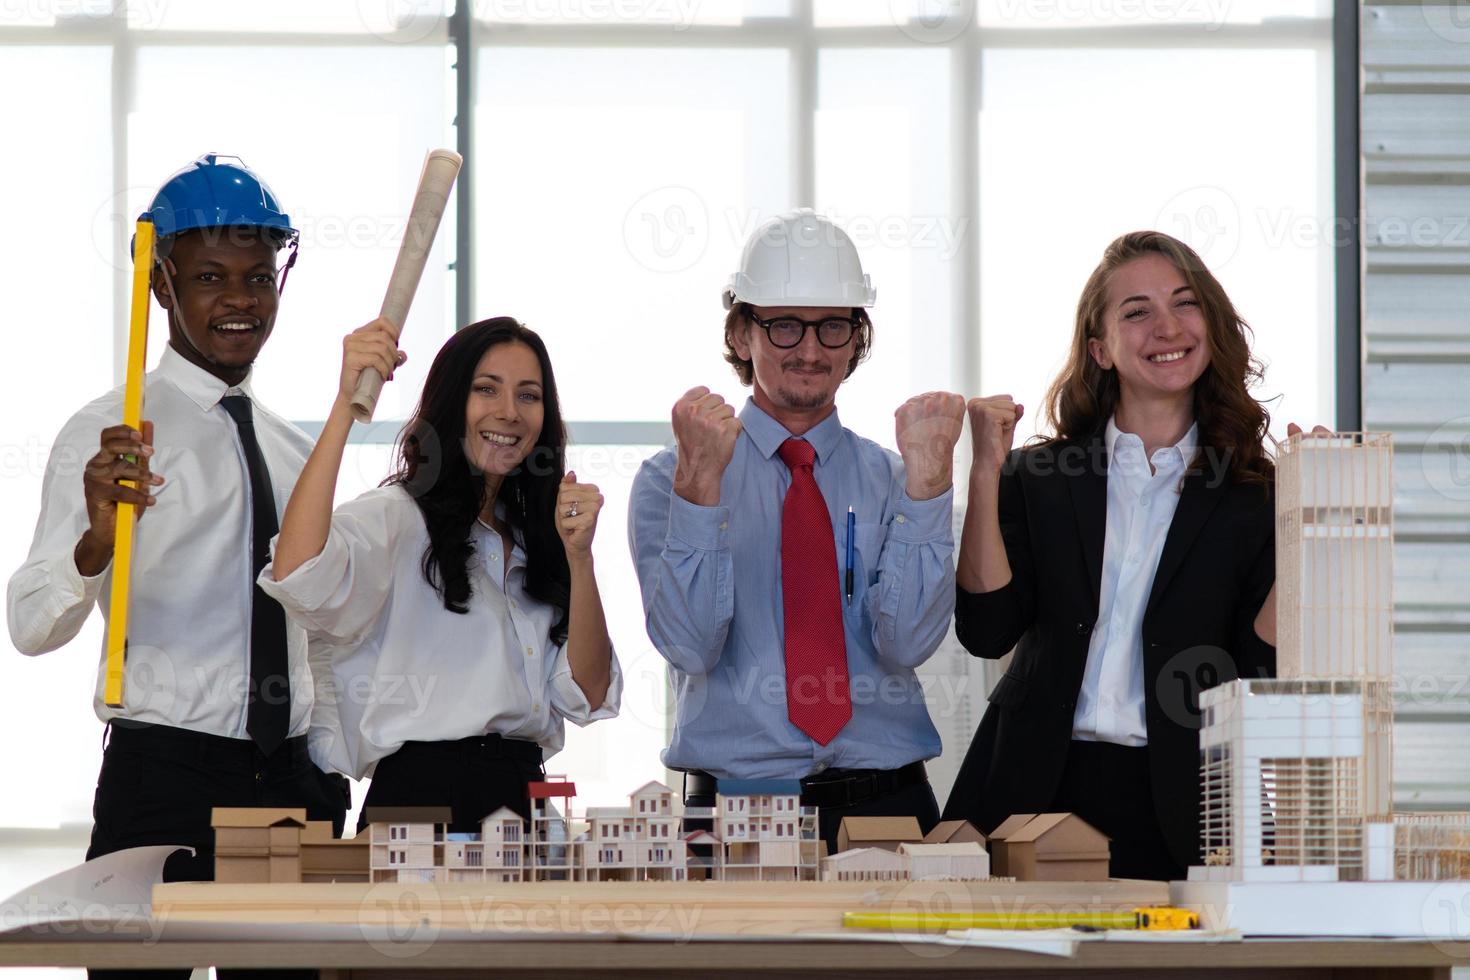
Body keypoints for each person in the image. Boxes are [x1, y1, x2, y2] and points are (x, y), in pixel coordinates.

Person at [7, 154, 346, 967]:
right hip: (163, 775)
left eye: (258, 277)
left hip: (290, 786)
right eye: (209, 277)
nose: (239, 300)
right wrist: (96, 540)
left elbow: (325, 632)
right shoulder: (106, 433)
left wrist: (328, 766)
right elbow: (28, 625)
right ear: (160, 287)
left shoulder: (300, 453)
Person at [942, 230, 1287, 881]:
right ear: (1100, 348)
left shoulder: (1255, 493)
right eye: (1136, 311)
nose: (1166, 326)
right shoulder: (1038, 475)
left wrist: (1307, 522)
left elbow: (1257, 665)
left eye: (1184, 304)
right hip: (1033, 787)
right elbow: (988, 632)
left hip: (1190, 797)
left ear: (1210, 327)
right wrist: (984, 468)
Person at [629, 208, 965, 853]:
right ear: (740, 332)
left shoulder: (900, 478)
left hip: (888, 803)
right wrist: (701, 490)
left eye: (832, 327)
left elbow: (909, 643)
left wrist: (929, 489)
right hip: (735, 808)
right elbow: (692, 648)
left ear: (856, 338)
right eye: (784, 326)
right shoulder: (670, 478)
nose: (810, 351)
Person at [262, 317, 620, 834]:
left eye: (528, 395)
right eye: (486, 389)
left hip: (524, 804)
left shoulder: (541, 543)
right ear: (452, 402)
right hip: (421, 801)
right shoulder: (399, 516)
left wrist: (580, 559)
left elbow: (586, 694)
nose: (508, 413)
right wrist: (346, 407)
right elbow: (297, 572)